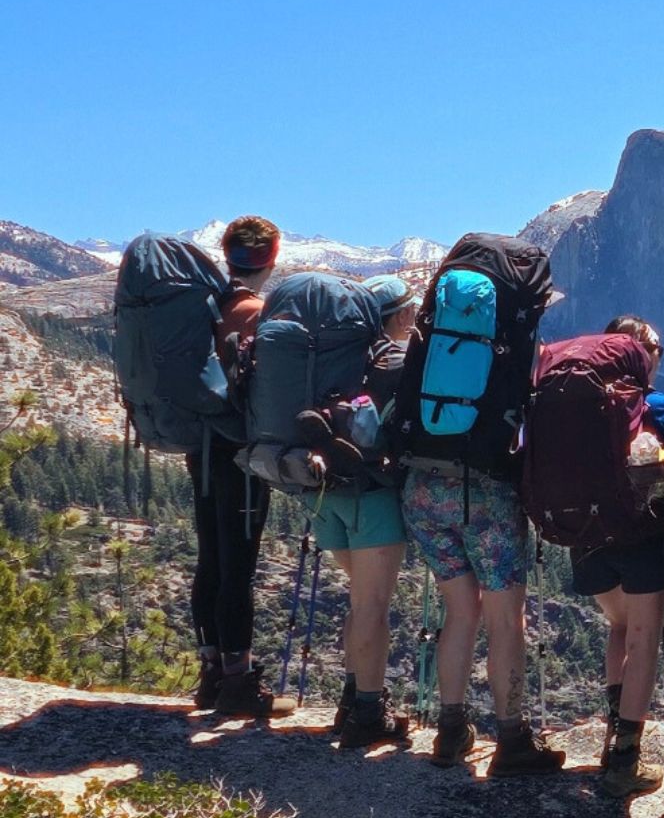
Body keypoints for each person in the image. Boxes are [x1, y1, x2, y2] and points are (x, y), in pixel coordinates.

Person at [562, 317, 664, 798]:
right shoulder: (659, 406)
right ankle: (625, 759)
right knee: (643, 637)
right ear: (640, 353)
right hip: (641, 536)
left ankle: (613, 734)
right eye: (656, 348)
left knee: (618, 628)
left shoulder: (577, 402)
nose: (660, 357)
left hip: (586, 534)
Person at [406, 421, 562, 776]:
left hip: (422, 488)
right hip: (486, 495)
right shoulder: (509, 362)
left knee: (460, 613)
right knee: (504, 620)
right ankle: (512, 740)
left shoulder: (438, 362)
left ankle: (450, 731)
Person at [191, 217, 291, 716]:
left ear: (227, 254)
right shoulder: (257, 312)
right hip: (241, 455)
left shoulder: (204, 307)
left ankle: (210, 673)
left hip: (202, 447)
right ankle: (238, 683)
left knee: (210, 555)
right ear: (271, 259)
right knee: (239, 567)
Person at [314, 274, 417, 747]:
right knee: (373, 607)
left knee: (361, 600)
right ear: (397, 316)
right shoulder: (396, 362)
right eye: (410, 311)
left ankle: (352, 700)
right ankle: (368, 713)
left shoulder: (333, 358)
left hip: (325, 492)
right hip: (372, 496)